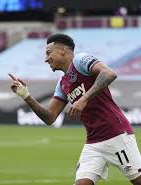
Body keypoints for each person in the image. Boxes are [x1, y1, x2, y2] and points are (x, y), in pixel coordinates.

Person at [9, 33, 141, 185]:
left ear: (63, 50)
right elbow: (50, 117)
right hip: (93, 143)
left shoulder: (80, 61)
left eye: (48, 53)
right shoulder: (62, 84)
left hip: (116, 135)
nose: (46, 59)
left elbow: (109, 73)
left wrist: (83, 99)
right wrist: (26, 95)